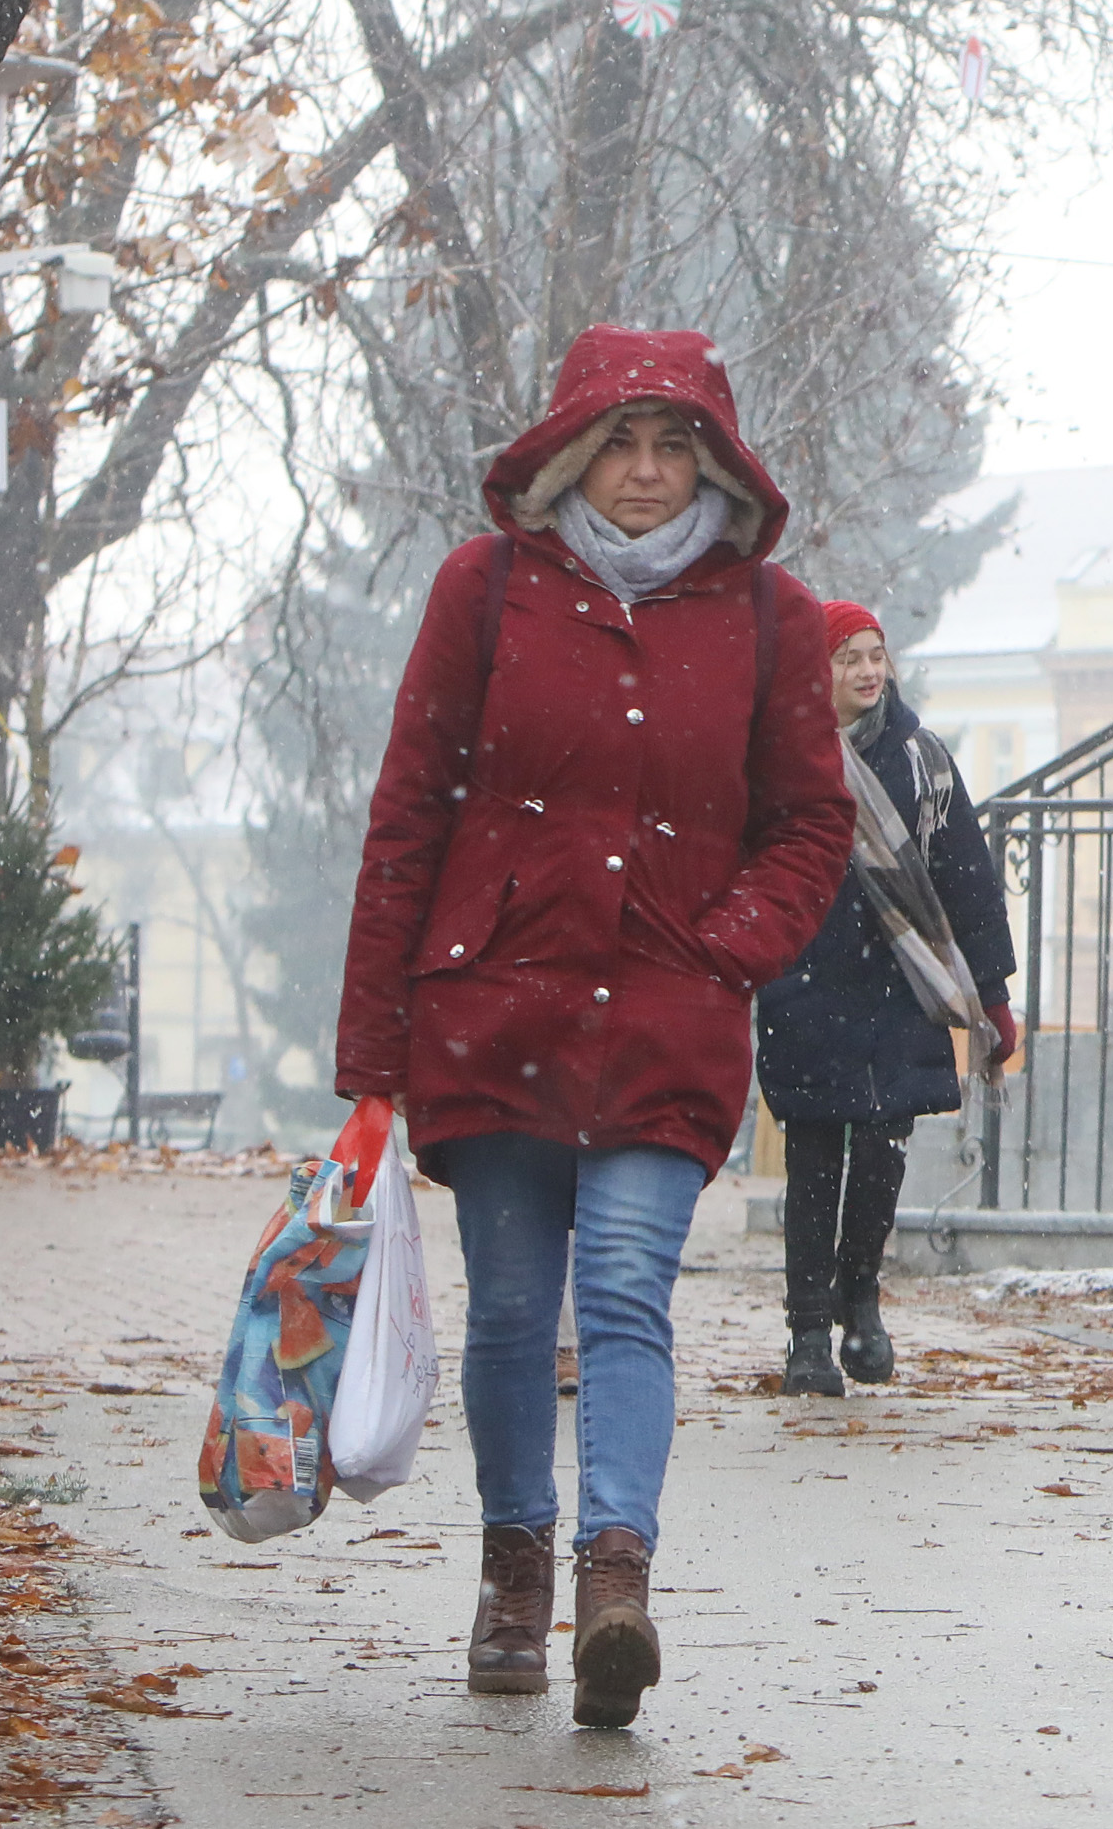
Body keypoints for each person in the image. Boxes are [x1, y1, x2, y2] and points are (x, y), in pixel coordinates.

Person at [332, 327, 850, 1730]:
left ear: (715, 461)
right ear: (571, 449)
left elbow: (811, 820)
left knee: (624, 1290)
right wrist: (371, 1058)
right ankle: (515, 1567)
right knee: (510, 1310)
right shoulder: (485, 588)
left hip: (669, 1017)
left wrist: (728, 946)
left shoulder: (768, 616)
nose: (643, 469)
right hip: (493, 1005)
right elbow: (408, 814)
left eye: (673, 443)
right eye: (620, 441)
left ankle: (614, 1576)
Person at [756, 602, 1020, 1396]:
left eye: (877, 656)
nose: (869, 672)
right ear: (818, 670)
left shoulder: (921, 760)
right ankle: (807, 1331)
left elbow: (967, 880)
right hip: (805, 978)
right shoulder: (780, 759)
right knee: (813, 1156)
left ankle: (860, 1300)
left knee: (881, 1153)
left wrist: (992, 995)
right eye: (849, 658)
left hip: (902, 981)